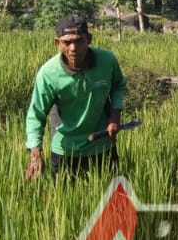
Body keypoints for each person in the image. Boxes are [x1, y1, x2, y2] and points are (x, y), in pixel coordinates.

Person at [24, 15, 128, 181]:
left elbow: (118, 85)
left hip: (101, 145)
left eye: (79, 41)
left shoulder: (107, 61)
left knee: (109, 199)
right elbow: (36, 114)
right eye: (66, 42)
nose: (73, 48)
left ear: (89, 40)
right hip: (64, 150)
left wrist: (115, 115)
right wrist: (35, 152)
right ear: (57, 43)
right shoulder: (49, 73)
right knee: (65, 202)